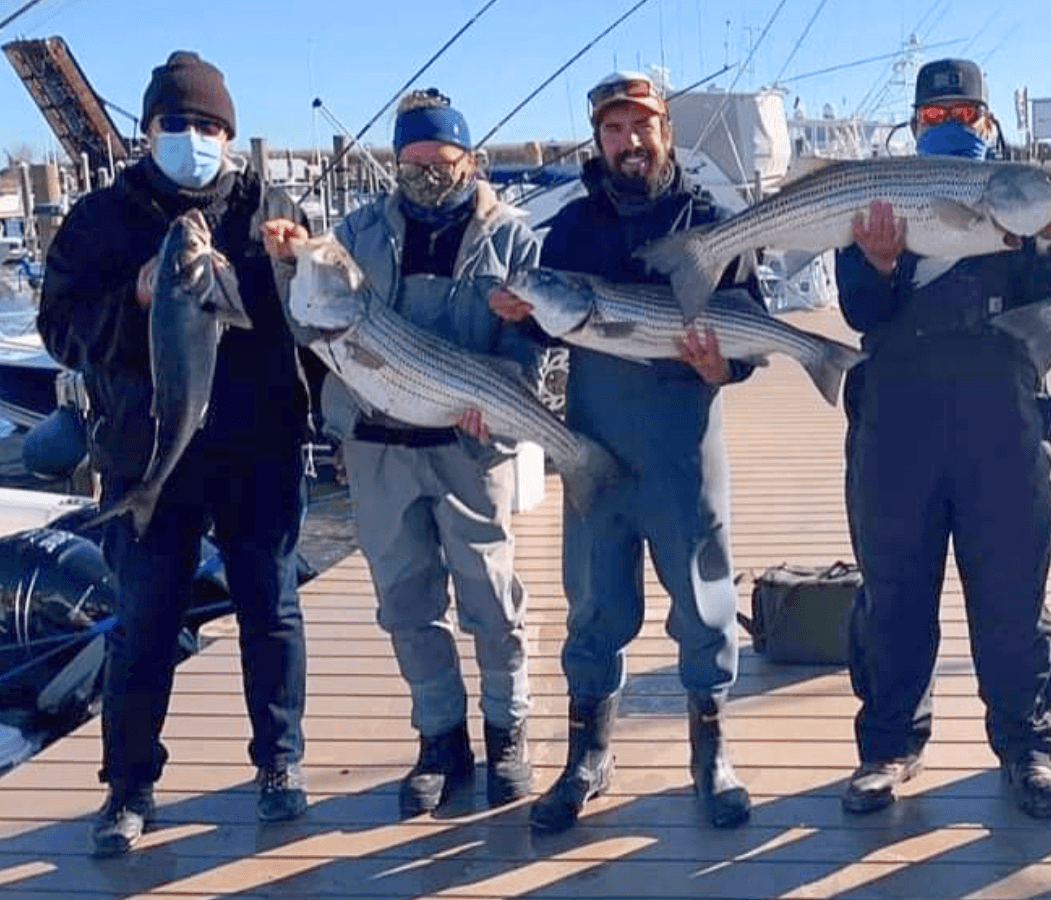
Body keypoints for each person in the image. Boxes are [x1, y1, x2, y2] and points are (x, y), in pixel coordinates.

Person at [38, 51, 314, 856]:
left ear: (230, 135)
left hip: (259, 449)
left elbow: (323, 311)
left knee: (273, 611)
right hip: (147, 455)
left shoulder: (268, 204)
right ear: (148, 130)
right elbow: (60, 328)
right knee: (145, 623)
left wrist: (300, 260)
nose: (195, 137)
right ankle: (129, 789)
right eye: (180, 124)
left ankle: (279, 765)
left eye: (210, 126)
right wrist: (132, 296)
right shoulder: (99, 220)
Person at [490, 71, 757, 831]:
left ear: (665, 129)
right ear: (598, 138)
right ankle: (588, 754)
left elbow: (749, 324)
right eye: (613, 129)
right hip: (595, 449)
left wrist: (725, 365)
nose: (628, 141)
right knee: (594, 604)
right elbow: (544, 328)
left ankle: (711, 755)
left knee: (706, 601)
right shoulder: (572, 227)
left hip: (682, 447)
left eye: (640, 125)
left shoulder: (708, 222)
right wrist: (521, 317)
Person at [267, 90, 541, 818]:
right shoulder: (355, 232)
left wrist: (508, 409)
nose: (425, 174)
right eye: (410, 162)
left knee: (491, 598)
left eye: (440, 161)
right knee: (406, 602)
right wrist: (289, 265)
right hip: (378, 451)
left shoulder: (513, 237)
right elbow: (310, 326)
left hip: (468, 445)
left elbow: (532, 340)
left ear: (469, 159)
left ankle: (507, 728)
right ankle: (440, 738)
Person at [835, 58, 1051, 820]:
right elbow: (856, 312)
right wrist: (879, 263)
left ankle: (1026, 746)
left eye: (964, 115)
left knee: (1013, 592)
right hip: (895, 423)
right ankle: (886, 746)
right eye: (936, 116)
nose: (950, 126)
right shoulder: (879, 200)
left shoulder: (1025, 194)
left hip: (1001, 420)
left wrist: (1048, 244)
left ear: (988, 123)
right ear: (915, 125)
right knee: (893, 593)